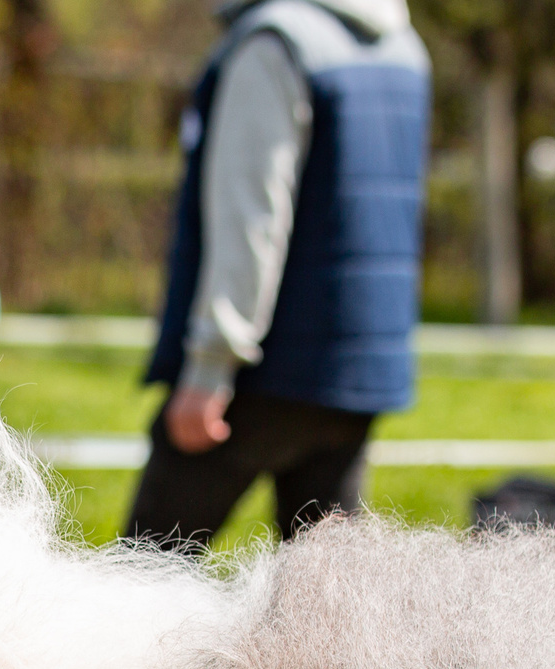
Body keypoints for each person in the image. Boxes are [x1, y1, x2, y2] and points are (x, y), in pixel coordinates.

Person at [124, 0, 430, 549]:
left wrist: (210, 366)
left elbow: (252, 216)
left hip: (260, 375)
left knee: (141, 578)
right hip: (358, 375)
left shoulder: (276, 45)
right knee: (329, 612)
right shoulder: (406, 47)